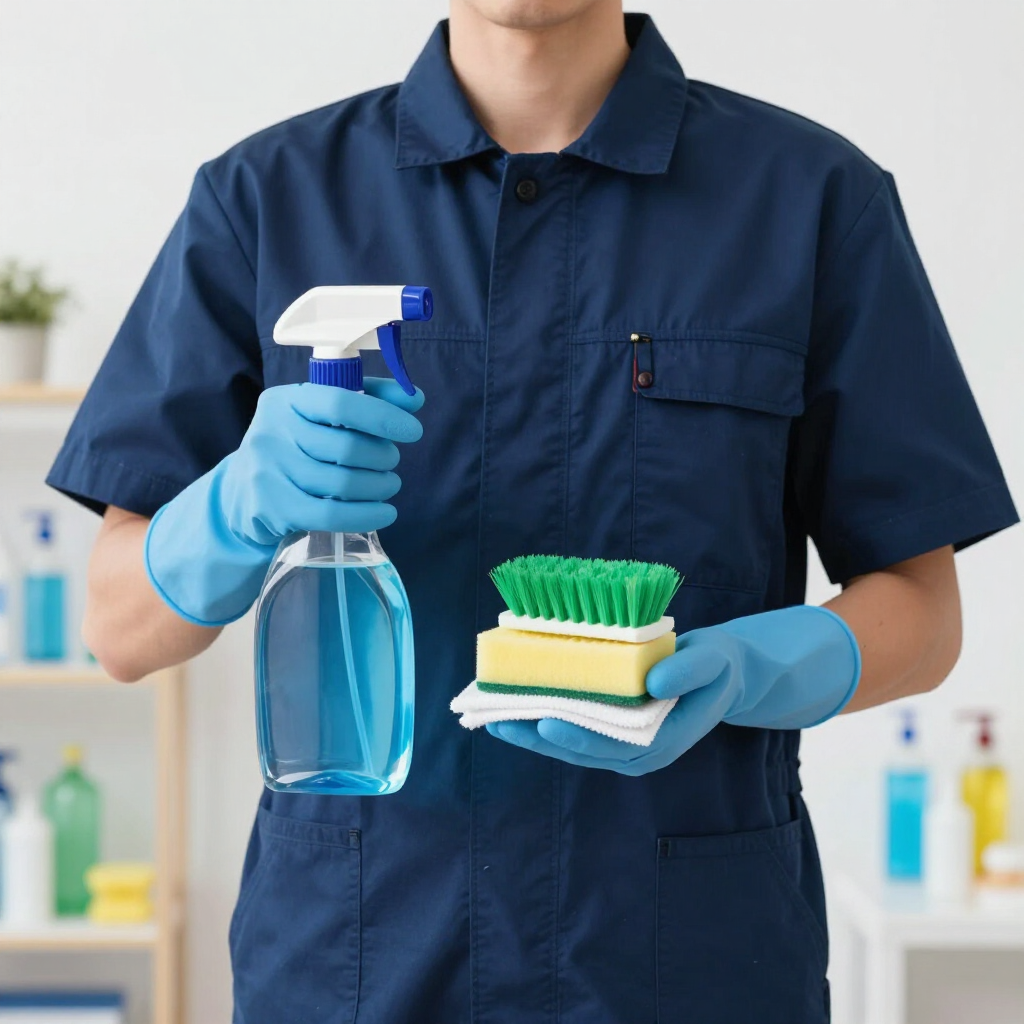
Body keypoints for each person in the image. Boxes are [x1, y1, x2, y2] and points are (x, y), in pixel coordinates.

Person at [47, 2, 1017, 1021]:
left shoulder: (811, 202)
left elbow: (922, 613)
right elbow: (117, 631)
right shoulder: (267, 202)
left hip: (689, 965)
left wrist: (747, 669)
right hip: (359, 962)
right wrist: (233, 507)